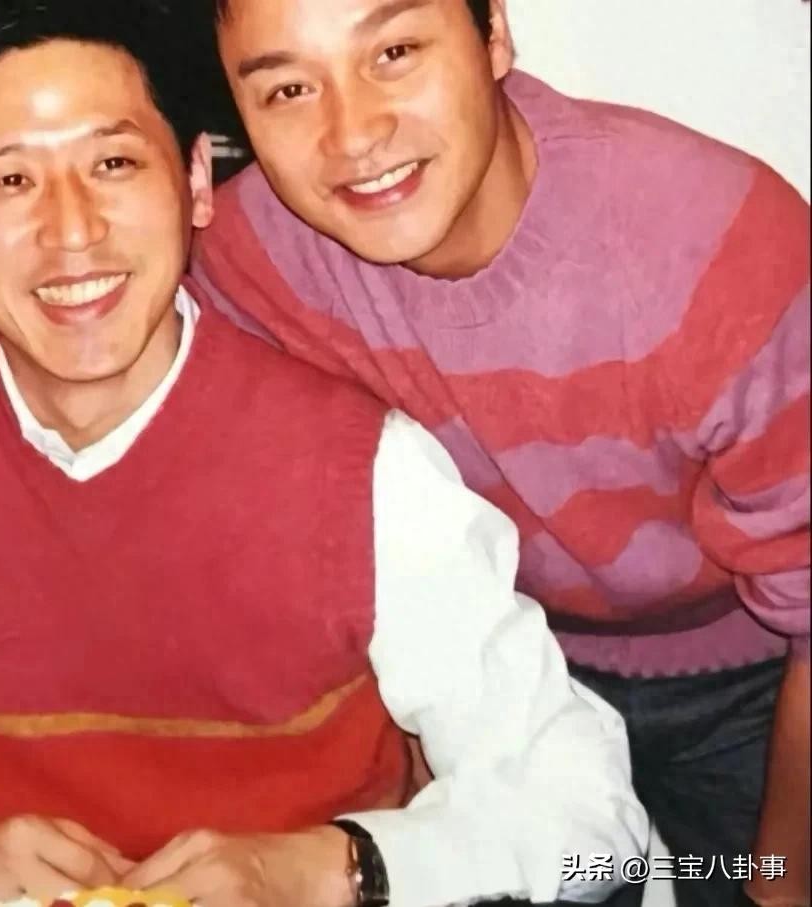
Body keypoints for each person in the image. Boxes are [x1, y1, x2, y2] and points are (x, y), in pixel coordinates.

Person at [0, 2, 647, 906]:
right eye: (9, 181)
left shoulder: (358, 466)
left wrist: (330, 867)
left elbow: (587, 814)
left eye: (114, 163)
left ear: (197, 181)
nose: (72, 230)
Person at [187, 1, 811, 905]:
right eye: (288, 89)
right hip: (495, 681)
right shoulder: (250, 262)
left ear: (494, 37)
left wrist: (780, 890)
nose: (352, 134)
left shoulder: (714, 241)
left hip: (755, 679)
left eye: (395, 52)